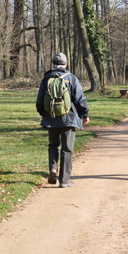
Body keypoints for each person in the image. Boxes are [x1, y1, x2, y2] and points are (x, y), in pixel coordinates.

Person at [36, 52, 89, 188]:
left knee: (53, 146)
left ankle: (53, 168)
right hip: (68, 119)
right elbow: (79, 99)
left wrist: (45, 114)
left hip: (51, 119)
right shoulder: (71, 78)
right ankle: (64, 180)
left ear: (53, 64)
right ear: (65, 64)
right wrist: (85, 114)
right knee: (67, 149)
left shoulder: (46, 79)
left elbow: (40, 101)